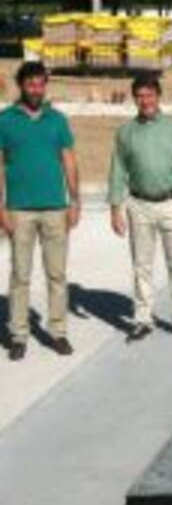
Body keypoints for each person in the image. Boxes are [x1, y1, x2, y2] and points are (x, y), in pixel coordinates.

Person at [107, 72, 172, 341]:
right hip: (138, 205)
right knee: (141, 265)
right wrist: (115, 208)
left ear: (158, 96)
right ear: (134, 99)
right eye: (139, 96)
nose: (145, 100)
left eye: (149, 95)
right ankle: (142, 318)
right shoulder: (126, 133)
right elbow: (117, 171)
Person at [0, 60, 80, 361]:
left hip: (55, 209)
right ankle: (19, 334)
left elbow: (69, 161)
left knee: (56, 275)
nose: (36, 89)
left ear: (46, 85)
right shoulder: (4, 120)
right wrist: (1, 207)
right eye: (30, 84)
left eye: (40, 84)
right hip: (18, 210)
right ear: (21, 86)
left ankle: (58, 332)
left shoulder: (57, 120)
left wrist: (75, 202)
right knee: (20, 275)